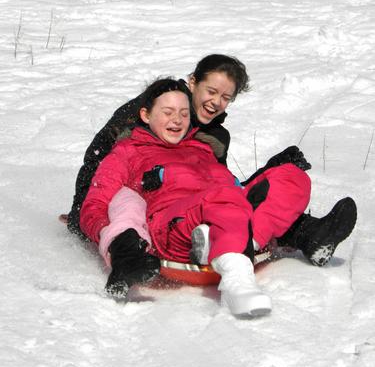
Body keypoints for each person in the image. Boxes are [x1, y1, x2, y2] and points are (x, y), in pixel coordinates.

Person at [66, 55, 357, 293]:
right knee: (137, 201)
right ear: (192, 84)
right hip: (157, 209)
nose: (216, 102)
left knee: (290, 176)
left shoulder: (209, 140)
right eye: (211, 92)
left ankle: (287, 236)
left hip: (210, 205)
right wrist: (87, 216)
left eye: (226, 97)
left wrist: (270, 173)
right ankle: (243, 239)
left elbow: (221, 183)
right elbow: (101, 167)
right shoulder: (136, 129)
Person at [81, 78, 309, 316]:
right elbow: (96, 204)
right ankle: (238, 281)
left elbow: (235, 187)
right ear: (146, 115)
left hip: (224, 209)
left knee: (292, 176)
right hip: (172, 227)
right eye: (167, 112)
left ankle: (239, 242)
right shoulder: (127, 151)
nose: (177, 120)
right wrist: (118, 247)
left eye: (183, 113)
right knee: (222, 197)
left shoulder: (202, 148)